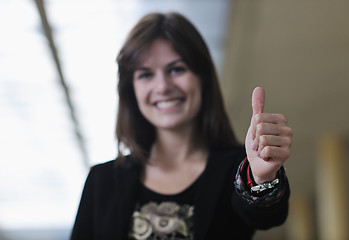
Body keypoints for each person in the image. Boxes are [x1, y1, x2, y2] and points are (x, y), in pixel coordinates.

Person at [71, 12, 292, 240]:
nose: (163, 87)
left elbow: (268, 217)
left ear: (202, 78)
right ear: (132, 90)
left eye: (176, 69)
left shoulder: (240, 170)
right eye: (145, 74)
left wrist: (261, 179)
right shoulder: (102, 180)